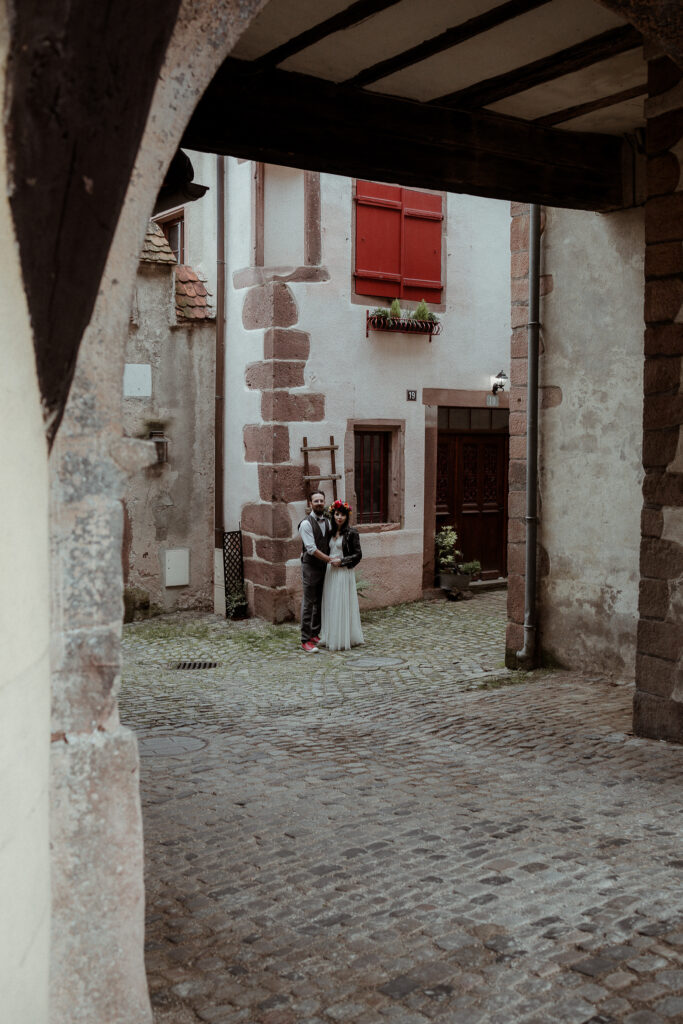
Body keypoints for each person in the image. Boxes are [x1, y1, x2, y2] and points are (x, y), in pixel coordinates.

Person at [298, 489, 340, 653]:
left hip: (324, 568)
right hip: (310, 567)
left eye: (321, 500)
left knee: (320, 601)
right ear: (310, 504)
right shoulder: (306, 524)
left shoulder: (328, 522)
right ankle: (305, 640)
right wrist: (330, 559)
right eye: (316, 501)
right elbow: (311, 549)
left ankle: (315, 634)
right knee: (309, 603)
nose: (319, 503)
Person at [319, 499, 364, 652]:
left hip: (343, 573)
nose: (339, 517)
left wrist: (342, 561)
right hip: (330, 572)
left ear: (347, 516)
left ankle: (343, 637)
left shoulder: (352, 533)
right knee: (331, 603)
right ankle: (330, 635)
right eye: (337, 514)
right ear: (333, 515)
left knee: (341, 602)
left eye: (343, 515)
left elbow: (358, 555)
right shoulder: (330, 533)